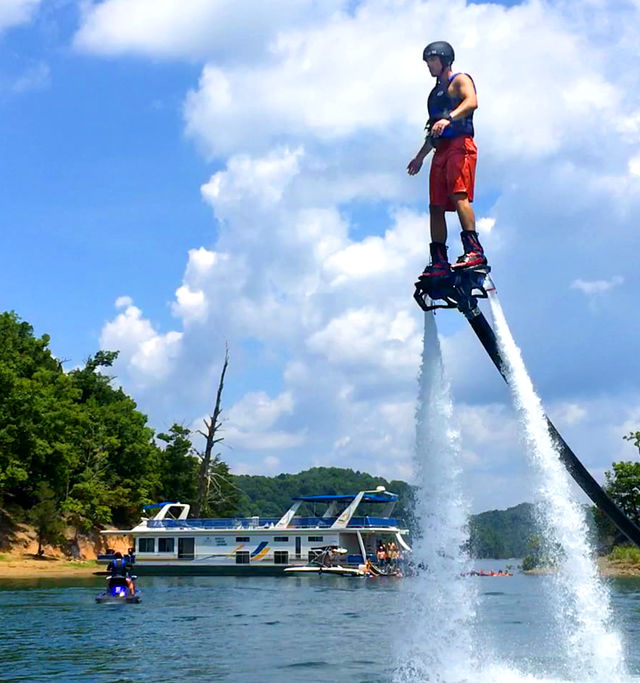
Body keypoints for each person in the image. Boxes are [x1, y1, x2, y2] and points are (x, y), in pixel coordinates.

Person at [407, 40, 487, 279]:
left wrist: (449, 118)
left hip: (460, 146)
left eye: (432, 60)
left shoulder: (460, 80)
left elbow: (472, 102)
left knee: (458, 194)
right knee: (435, 206)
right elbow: (434, 129)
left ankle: (474, 250)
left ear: (444, 60)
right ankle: (439, 260)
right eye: (427, 61)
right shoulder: (434, 95)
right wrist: (420, 157)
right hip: (440, 151)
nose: (429, 65)